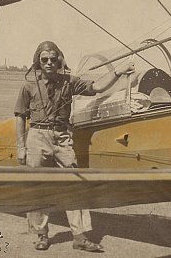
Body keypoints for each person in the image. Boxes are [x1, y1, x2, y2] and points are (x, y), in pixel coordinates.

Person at [14, 41, 134, 252]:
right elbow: (20, 116)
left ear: (59, 60)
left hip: (62, 136)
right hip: (37, 135)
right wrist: (21, 146)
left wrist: (118, 72)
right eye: (44, 60)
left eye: (53, 59)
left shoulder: (69, 82)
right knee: (38, 186)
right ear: (38, 61)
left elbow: (95, 87)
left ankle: (79, 237)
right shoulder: (28, 86)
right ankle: (42, 235)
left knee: (74, 184)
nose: (49, 63)